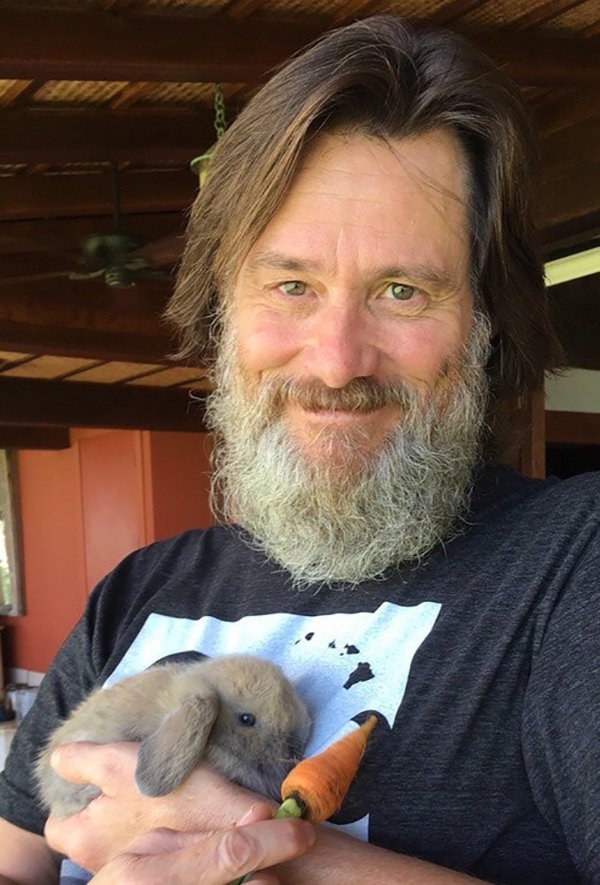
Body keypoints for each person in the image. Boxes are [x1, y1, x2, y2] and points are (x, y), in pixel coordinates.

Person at [0, 13, 598, 885]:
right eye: (292, 284)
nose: (336, 360)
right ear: (222, 313)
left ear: (485, 325)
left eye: (402, 291)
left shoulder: (574, 564)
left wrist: (271, 852)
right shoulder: (137, 592)